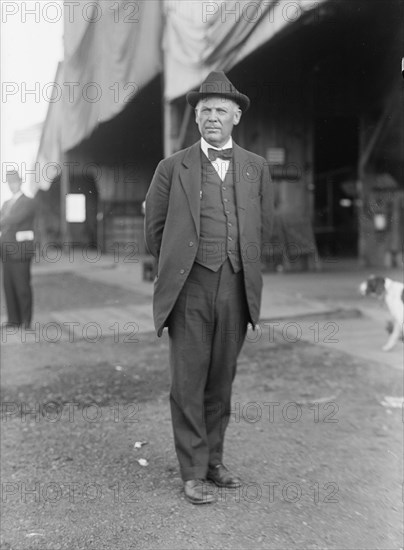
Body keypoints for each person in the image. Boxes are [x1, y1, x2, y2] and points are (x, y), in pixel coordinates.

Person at [144, 71, 273, 504]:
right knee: (188, 381)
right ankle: (192, 470)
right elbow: (155, 233)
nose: (212, 117)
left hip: (235, 285)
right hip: (190, 288)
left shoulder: (256, 168)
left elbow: (262, 228)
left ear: (236, 115)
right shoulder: (171, 168)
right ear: (196, 119)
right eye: (205, 111)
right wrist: (183, 265)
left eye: (221, 110)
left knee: (222, 378)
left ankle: (214, 461)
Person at [0, 170, 36, 329]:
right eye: (9, 182)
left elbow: (15, 219)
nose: (12, 185)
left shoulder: (28, 201)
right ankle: (13, 320)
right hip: (6, 251)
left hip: (21, 251)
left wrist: (3, 219)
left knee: (22, 286)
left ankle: (26, 321)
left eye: (14, 182)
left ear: (20, 182)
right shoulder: (6, 203)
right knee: (9, 286)